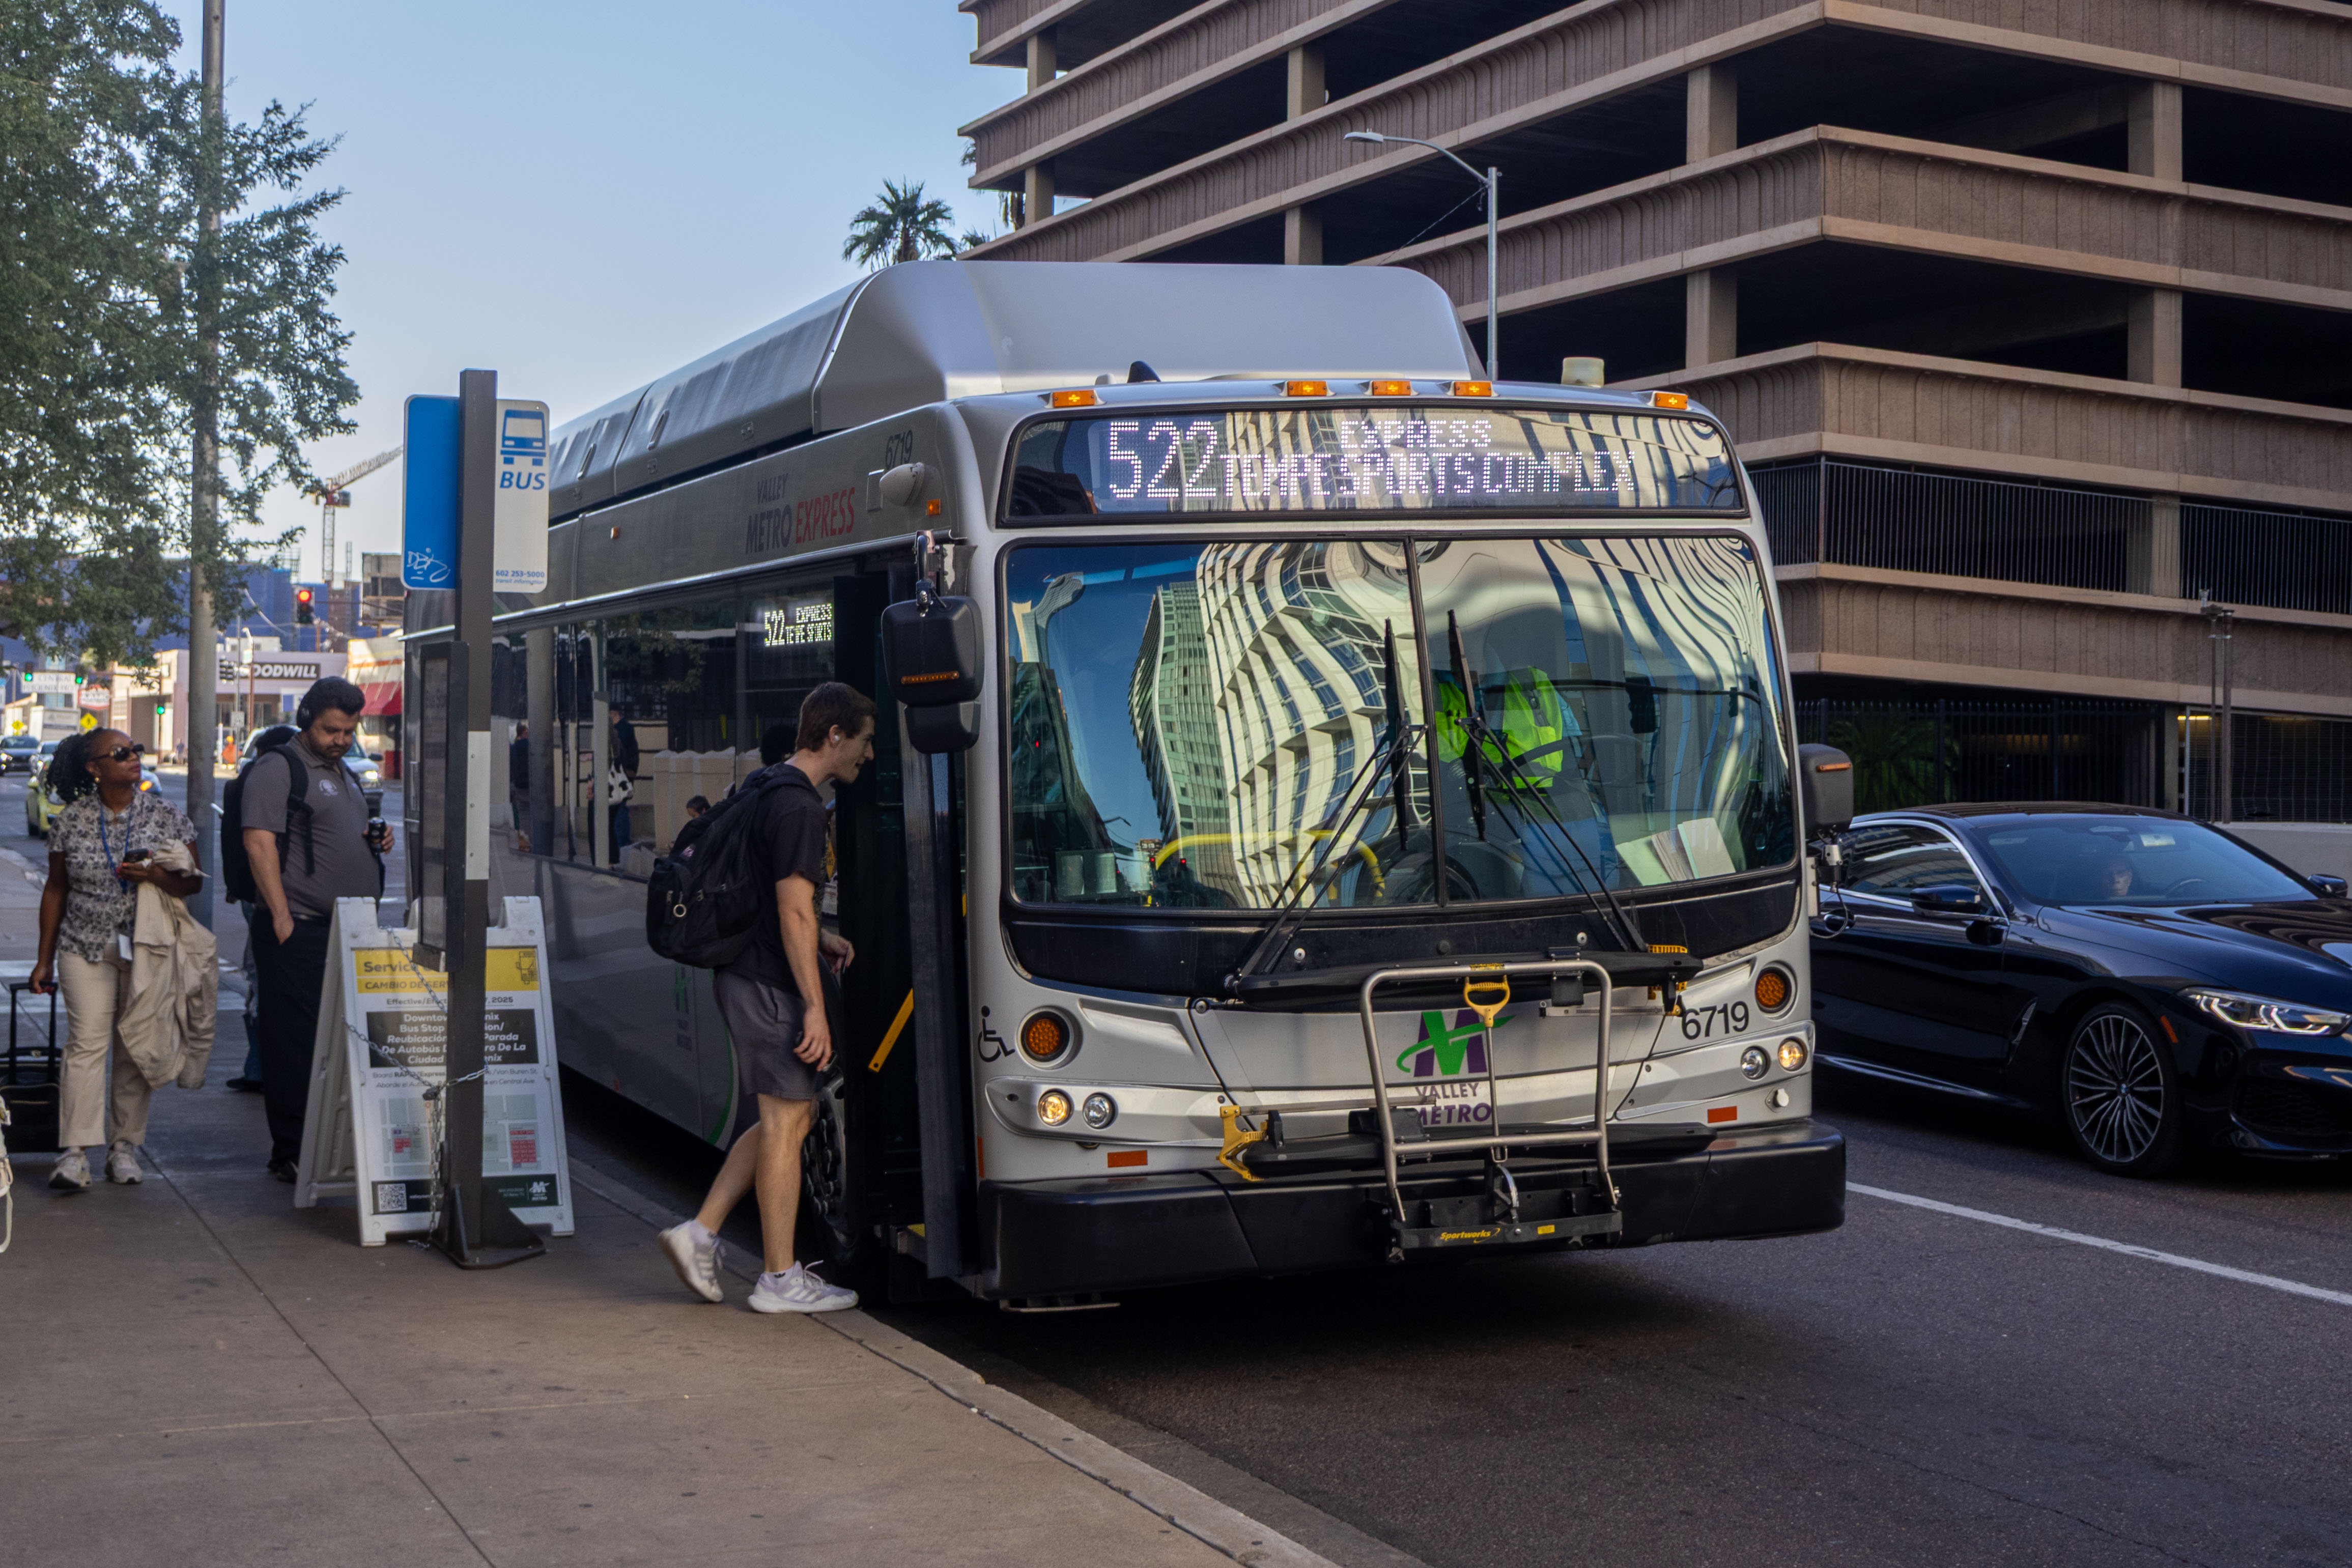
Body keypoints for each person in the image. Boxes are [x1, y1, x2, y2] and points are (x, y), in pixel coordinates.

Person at [660, 682, 875, 1313]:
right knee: (787, 1123)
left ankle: (698, 1233)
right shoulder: (801, 808)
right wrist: (813, 1002)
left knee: (789, 1116)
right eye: (863, 742)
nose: (867, 755)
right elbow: (791, 911)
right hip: (768, 984)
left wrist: (822, 937)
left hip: (747, 973)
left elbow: (773, 900)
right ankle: (779, 1280)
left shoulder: (765, 785)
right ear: (835, 735)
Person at [30, 731, 205, 1190]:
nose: (134, 760)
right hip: (83, 944)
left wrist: (155, 875)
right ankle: (74, 1153)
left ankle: (123, 1147)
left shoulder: (166, 816)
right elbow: (56, 889)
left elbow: (193, 885)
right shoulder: (70, 821)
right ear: (95, 768)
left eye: (137, 752)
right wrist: (43, 960)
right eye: (121, 754)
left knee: (134, 1046)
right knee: (86, 1044)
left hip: (147, 947)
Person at [243, 678, 393, 1182]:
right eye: (332, 730)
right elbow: (259, 842)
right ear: (307, 718)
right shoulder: (278, 767)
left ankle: (325, 1143)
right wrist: (281, 916)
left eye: (350, 731)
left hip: (346, 930)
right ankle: (291, 1151)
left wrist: (377, 840)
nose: (341, 740)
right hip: (300, 930)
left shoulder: (343, 771)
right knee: (295, 1045)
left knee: (339, 1044)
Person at [226, 723, 299, 1093]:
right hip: (274, 899)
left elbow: (233, 849)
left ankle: (258, 1065)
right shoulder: (273, 785)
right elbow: (252, 847)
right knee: (266, 981)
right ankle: (262, 1066)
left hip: (254, 897)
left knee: (258, 978)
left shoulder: (242, 783)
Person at [609, 709, 638, 862]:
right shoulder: (627, 728)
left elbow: (619, 752)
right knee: (620, 808)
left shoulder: (621, 730)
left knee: (619, 809)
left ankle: (622, 843)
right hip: (624, 773)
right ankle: (622, 842)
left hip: (620, 774)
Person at [509, 721, 532, 853]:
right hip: (529, 783)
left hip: (518, 784)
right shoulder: (530, 746)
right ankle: (529, 840)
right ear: (524, 733)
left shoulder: (514, 747)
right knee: (529, 812)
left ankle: (522, 839)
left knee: (521, 812)